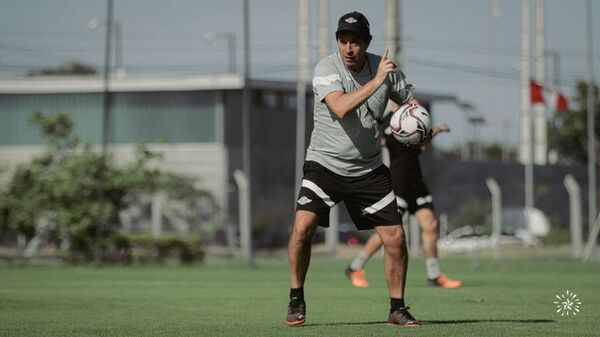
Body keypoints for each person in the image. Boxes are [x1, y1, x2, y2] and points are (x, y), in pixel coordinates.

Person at [286, 11, 422, 327]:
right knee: (302, 228)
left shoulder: (387, 69)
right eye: (343, 40)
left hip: (368, 169)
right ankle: (296, 299)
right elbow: (340, 106)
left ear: (366, 43)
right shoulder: (327, 68)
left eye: (355, 42)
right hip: (324, 165)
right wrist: (378, 81)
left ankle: (397, 309)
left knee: (396, 238)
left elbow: (411, 105)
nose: (348, 48)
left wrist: (417, 128)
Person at [345, 106, 462, 289]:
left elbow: (420, 134)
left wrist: (437, 130)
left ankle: (433, 275)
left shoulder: (413, 118)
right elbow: (378, 139)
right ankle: (355, 267)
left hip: (416, 182)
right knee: (389, 231)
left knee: (430, 225)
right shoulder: (390, 123)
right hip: (398, 184)